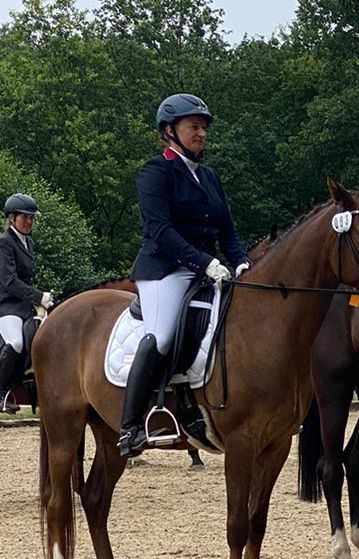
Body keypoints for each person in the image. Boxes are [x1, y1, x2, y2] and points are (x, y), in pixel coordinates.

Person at [117, 93, 251, 458]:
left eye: (204, 127)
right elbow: (160, 231)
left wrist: (240, 261)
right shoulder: (154, 172)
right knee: (161, 337)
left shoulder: (208, 176)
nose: (201, 133)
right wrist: (204, 262)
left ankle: (197, 409)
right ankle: (130, 427)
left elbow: (228, 231)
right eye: (194, 126)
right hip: (164, 270)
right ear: (169, 131)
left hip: (206, 272)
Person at [0, 193, 54, 413]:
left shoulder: (28, 242)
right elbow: (9, 281)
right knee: (15, 342)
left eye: (32, 217)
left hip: (23, 305)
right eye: (25, 217)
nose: (29, 221)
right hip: (5, 304)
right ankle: (0, 396)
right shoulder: (3, 243)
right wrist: (38, 296)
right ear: (12, 218)